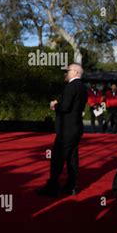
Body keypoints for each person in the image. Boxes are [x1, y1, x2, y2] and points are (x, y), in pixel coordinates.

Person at [36, 63, 87, 197]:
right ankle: (72, 186)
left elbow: (65, 107)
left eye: (69, 70)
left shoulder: (71, 86)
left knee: (57, 158)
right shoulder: (83, 87)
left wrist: (55, 105)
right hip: (76, 128)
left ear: (75, 72)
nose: (66, 73)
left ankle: (52, 187)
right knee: (72, 158)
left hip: (66, 129)